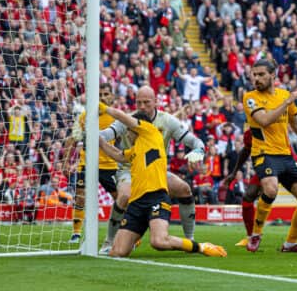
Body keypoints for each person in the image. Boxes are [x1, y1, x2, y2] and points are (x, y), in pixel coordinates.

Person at [97, 103, 226, 258]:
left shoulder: (150, 132)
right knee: (117, 253)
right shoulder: (135, 149)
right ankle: (133, 237)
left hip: (155, 197)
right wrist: (99, 141)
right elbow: (118, 155)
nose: (127, 135)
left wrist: (103, 108)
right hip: (136, 204)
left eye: (128, 132)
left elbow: (124, 117)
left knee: (159, 242)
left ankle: (200, 246)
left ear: (137, 128)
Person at [242, 58, 297, 253]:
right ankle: (256, 234)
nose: (257, 78)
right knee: (270, 189)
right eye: (255, 75)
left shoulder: (284, 94)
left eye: (261, 74)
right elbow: (264, 120)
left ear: (273, 75)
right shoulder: (250, 97)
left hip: (285, 156)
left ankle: (290, 244)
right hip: (264, 153)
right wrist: (287, 102)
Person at [225, 128, 297, 247]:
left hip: (288, 162)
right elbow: (246, 150)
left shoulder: (275, 122)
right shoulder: (252, 130)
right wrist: (234, 172)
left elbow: (295, 125)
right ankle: (251, 236)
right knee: (248, 195)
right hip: (268, 164)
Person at [65, 84, 127, 243]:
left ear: (112, 97)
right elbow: (73, 138)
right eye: (100, 93)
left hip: (109, 165)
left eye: (106, 94)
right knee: (80, 197)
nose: (103, 96)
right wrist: (66, 162)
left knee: (121, 199)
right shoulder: (84, 116)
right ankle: (76, 232)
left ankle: (127, 232)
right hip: (87, 163)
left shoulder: (117, 117)